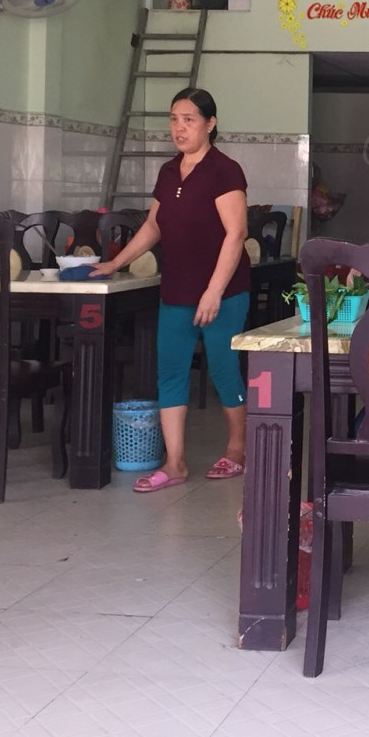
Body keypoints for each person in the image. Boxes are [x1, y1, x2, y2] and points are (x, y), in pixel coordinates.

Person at [91, 88, 250, 493]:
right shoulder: (167, 172)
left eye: (189, 119)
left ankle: (237, 449)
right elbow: (153, 226)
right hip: (177, 288)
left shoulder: (224, 171)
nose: (179, 128)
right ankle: (175, 462)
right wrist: (115, 263)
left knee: (223, 367)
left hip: (223, 291)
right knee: (171, 371)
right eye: (174, 119)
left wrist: (214, 291)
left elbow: (236, 234)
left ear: (210, 124)